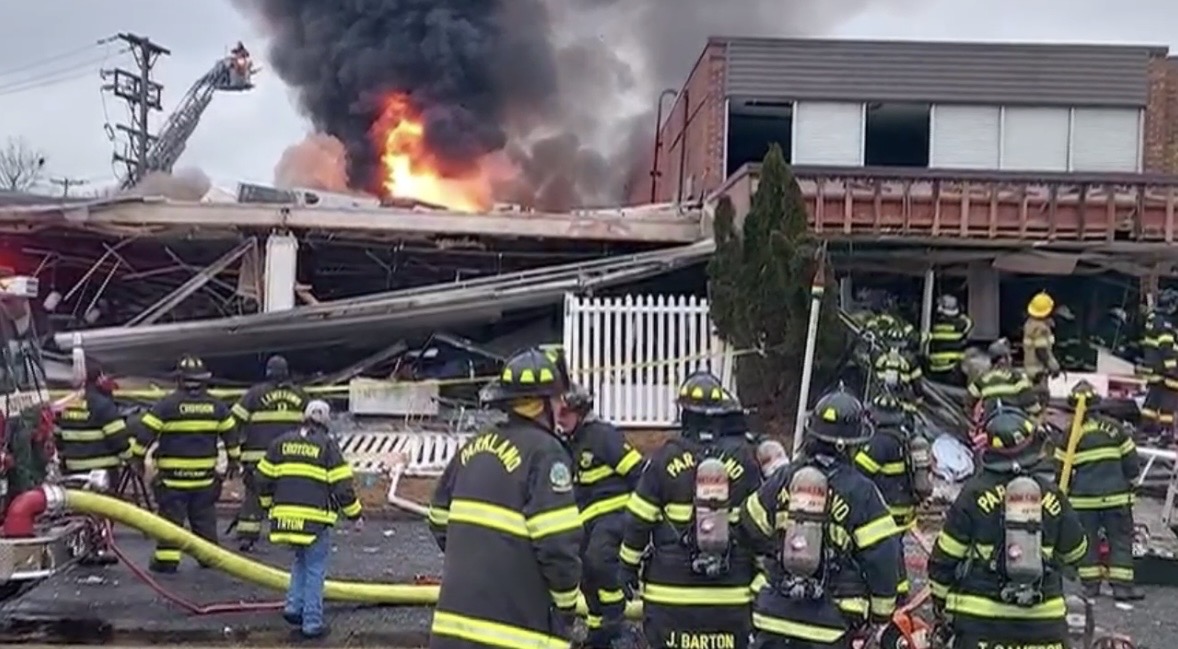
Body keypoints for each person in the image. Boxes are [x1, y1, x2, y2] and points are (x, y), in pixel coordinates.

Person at [427, 347, 583, 649]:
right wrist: (565, 608)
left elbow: (437, 518)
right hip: (516, 633)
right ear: (542, 404)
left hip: (451, 632)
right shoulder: (546, 454)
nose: (562, 408)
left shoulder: (475, 445)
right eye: (558, 400)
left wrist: (479, 556)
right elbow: (558, 547)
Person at [741, 387, 901, 648]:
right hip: (830, 625)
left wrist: (775, 553)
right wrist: (881, 615)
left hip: (772, 615)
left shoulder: (783, 478)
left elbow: (749, 523)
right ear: (850, 444)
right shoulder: (862, 492)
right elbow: (883, 558)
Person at [618, 371, 761, 649]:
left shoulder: (664, 458)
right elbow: (761, 528)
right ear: (720, 416)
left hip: (670, 598)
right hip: (731, 597)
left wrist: (626, 569)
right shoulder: (744, 461)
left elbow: (637, 521)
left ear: (684, 414)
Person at [927, 406, 1087, 649]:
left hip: (981, 624)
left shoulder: (973, 493)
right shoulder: (1052, 494)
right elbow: (1076, 553)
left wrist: (940, 606)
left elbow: (944, 559)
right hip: (1044, 625)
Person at [256, 399, 362, 639]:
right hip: (314, 522)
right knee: (315, 568)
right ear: (326, 421)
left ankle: (294, 607)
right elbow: (342, 487)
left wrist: (267, 507)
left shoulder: (280, 443)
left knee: (300, 560)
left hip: (285, 520)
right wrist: (355, 515)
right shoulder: (327, 446)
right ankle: (312, 623)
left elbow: (261, 479)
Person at [130, 354, 241, 573]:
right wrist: (234, 461)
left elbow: (145, 434)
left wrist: (137, 460)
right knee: (205, 521)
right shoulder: (217, 407)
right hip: (204, 479)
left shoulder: (166, 406)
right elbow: (231, 434)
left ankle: (167, 560)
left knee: (171, 523)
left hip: (173, 481)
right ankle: (209, 558)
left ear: (179, 379)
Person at [559, 384, 644, 649]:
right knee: (584, 570)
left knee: (599, 559)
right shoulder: (569, 444)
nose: (559, 419)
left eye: (565, 414)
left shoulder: (602, 436)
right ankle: (598, 631)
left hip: (614, 515)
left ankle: (616, 619)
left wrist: (641, 516)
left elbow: (639, 471)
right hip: (588, 520)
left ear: (580, 412)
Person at [1055, 381, 1142, 601]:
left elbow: (1060, 470)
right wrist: (1130, 481)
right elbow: (1132, 463)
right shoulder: (1115, 428)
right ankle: (1122, 588)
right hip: (1116, 498)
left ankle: (1090, 587)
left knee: (1087, 541)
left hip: (1083, 501)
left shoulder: (1069, 436)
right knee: (1120, 539)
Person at [854, 392, 931, 601]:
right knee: (896, 550)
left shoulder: (880, 443)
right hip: (905, 507)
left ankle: (896, 593)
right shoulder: (904, 436)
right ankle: (901, 589)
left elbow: (857, 471)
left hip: (888, 509)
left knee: (888, 552)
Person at [54, 357, 130, 565]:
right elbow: (119, 440)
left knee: (79, 512)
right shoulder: (103, 406)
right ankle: (98, 549)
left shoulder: (66, 404)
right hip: (102, 470)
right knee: (102, 512)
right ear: (98, 379)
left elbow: (57, 436)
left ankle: (79, 550)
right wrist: (129, 459)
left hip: (73, 470)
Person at [229, 355, 309, 551]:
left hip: (257, 459)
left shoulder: (254, 395)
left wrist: (235, 451)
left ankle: (247, 536)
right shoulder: (301, 396)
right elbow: (312, 427)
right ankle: (292, 537)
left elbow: (233, 423)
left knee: (254, 497)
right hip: (290, 458)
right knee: (290, 497)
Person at [1140, 292, 1178, 444]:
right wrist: (1172, 367)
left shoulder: (1153, 319)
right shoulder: (1164, 323)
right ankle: (1166, 432)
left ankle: (1147, 429)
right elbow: (1166, 346)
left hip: (1154, 366)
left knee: (1153, 398)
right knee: (1169, 397)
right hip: (1164, 367)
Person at [965, 338, 1039, 417]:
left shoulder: (982, 379)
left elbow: (968, 401)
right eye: (1009, 356)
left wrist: (970, 418)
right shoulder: (1015, 377)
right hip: (1014, 421)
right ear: (1003, 359)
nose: (1011, 359)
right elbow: (1030, 402)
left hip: (991, 423)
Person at [1023, 291, 1062, 410]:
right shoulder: (1041, 328)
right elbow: (1041, 350)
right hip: (1039, 372)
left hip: (1030, 369)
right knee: (1041, 401)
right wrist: (1052, 365)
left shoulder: (1030, 324)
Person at [926, 294, 973, 385]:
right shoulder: (960, 324)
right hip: (951, 367)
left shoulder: (936, 325)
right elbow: (969, 322)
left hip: (935, 367)